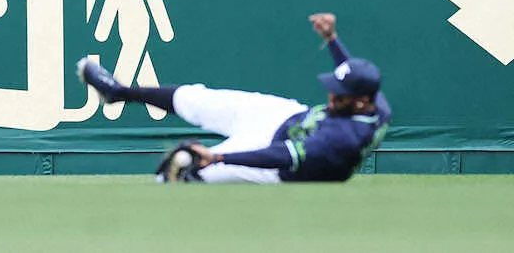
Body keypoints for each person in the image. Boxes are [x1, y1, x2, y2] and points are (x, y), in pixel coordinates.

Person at [78, 12, 390, 184]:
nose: (332, 97)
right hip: (284, 116)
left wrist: (219, 157)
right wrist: (332, 40)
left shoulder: (343, 139)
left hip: (279, 162)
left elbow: (280, 156)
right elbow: (347, 72)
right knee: (197, 98)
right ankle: (118, 93)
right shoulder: (375, 102)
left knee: (183, 173)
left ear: (361, 103)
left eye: (340, 97)